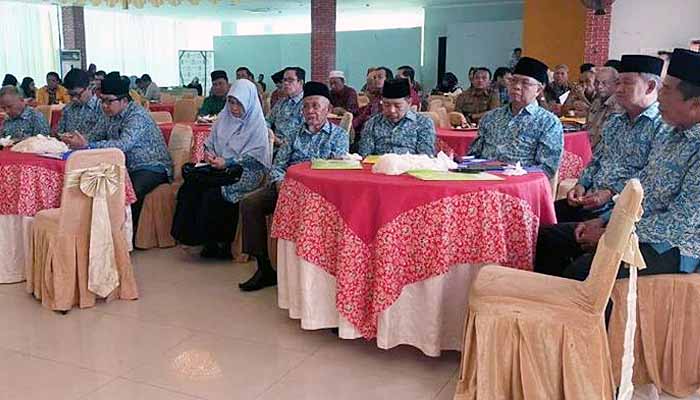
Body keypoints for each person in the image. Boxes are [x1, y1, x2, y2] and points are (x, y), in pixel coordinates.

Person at [535, 48, 700, 281]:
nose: (660, 97)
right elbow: (641, 192)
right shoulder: (671, 136)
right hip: (633, 229)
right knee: (549, 238)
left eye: (667, 90)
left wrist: (610, 233)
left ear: (695, 104)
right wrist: (605, 220)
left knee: (582, 272)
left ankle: (581, 316)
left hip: (674, 247)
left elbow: (679, 222)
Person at [239, 81, 349, 291]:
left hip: (320, 193)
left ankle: (318, 274)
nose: (310, 111)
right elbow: (278, 165)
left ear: (327, 109)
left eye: (316, 106)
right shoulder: (294, 135)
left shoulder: (339, 136)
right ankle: (264, 268)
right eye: (306, 106)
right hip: (287, 187)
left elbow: (337, 170)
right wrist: (280, 183)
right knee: (250, 203)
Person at [553, 55, 664, 224]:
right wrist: (581, 185)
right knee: (541, 218)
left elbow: (650, 177)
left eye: (627, 83)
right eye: (618, 83)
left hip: (619, 211)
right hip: (589, 200)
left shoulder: (662, 127)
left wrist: (611, 193)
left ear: (650, 86)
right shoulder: (615, 122)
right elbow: (596, 160)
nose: (618, 89)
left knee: (550, 237)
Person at [171, 79, 271, 259]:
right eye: (231, 102)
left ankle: (221, 242)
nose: (234, 108)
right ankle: (195, 239)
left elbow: (255, 157)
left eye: (239, 104)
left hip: (246, 171)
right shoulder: (223, 119)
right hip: (220, 167)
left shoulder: (257, 125)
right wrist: (210, 156)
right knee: (190, 188)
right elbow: (209, 144)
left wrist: (229, 162)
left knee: (215, 193)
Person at [61, 72, 172, 232]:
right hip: (124, 167)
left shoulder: (137, 116)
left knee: (123, 192)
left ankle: (124, 237)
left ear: (124, 101)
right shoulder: (109, 115)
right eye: (102, 101)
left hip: (150, 167)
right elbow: (93, 136)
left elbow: (122, 145)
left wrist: (87, 146)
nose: (104, 105)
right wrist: (77, 141)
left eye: (109, 101)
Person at [468, 57, 563, 179]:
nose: (517, 86)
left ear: (538, 89)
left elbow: (546, 169)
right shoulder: (490, 117)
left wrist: (508, 174)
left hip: (521, 186)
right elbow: (473, 156)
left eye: (525, 83)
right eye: (513, 81)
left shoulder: (549, 123)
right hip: (482, 182)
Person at [358, 78, 435, 157]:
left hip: (411, 167)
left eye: (397, 106)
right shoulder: (372, 123)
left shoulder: (423, 123)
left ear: (409, 103)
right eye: (386, 105)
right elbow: (364, 156)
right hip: (379, 166)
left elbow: (426, 157)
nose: (392, 110)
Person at [57, 68, 104, 137]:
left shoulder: (101, 108)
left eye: (77, 94)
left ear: (90, 87)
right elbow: (60, 133)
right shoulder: (67, 109)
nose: (74, 99)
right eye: (71, 95)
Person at [584, 66, 623, 149]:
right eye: (597, 82)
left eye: (604, 83)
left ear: (615, 84)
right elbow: (587, 127)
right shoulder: (597, 101)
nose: (599, 86)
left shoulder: (618, 105)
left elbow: (603, 137)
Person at [267, 66, 305, 144]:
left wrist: (282, 142)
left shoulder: (307, 104)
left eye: (290, 80)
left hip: (296, 149)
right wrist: (268, 132)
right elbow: (267, 120)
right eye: (284, 80)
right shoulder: (282, 102)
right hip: (274, 143)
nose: (286, 83)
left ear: (300, 82)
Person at [352, 66, 393, 139]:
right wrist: (353, 124)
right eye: (374, 78)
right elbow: (365, 112)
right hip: (366, 131)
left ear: (388, 79)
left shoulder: (392, 98)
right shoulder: (376, 97)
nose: (376, 80)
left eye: (380, 77)